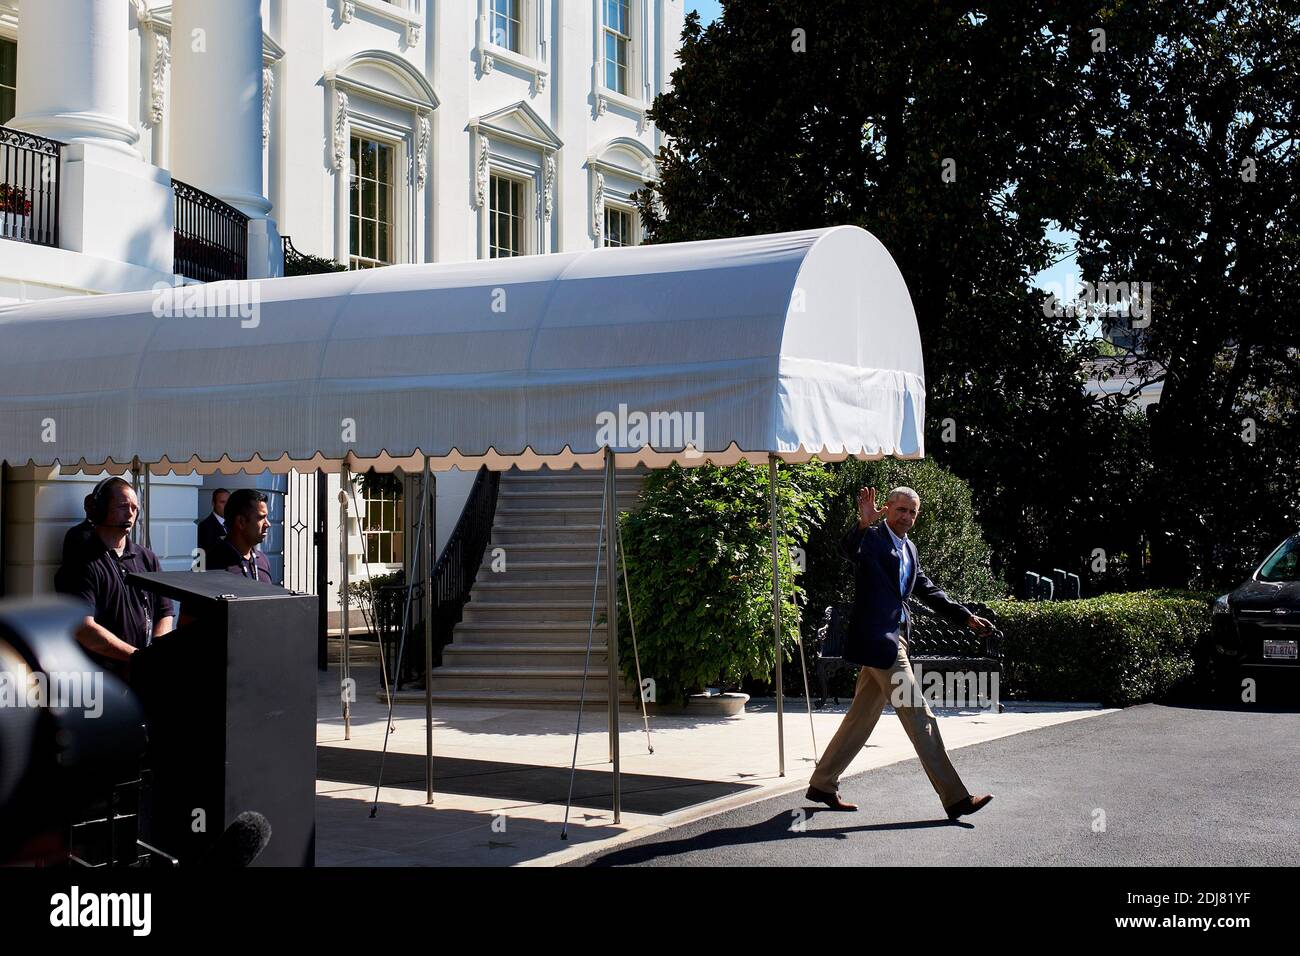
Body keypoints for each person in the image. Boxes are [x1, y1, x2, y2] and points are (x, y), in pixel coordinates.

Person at [805, 485, 996, 821]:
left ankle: (822, 783)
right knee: (920, 714)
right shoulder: (873, 538)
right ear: (886, 509)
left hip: (896, 640)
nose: (906, 517)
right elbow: (848, 549)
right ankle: (956, 798)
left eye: (912, 512)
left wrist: (965, 616)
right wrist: (862, 525)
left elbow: (926, 589)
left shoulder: (910, 548)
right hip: (883, 645)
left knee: (859, 720)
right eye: (900, 510)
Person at [56, 477, 175, 676]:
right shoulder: (81, 562)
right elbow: (83, 627)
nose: (131, 513)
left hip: (142, 673)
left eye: (135, 508)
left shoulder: (148, 558)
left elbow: (165, 612)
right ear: (100, 509)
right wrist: (136, 657)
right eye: (122, 506)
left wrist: (155, 655)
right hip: (100, 680)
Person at [207, 488, 275, 584]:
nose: (267, 524)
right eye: (261, 518)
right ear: (241, 522)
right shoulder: (212, 564)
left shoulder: (263, 560)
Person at [196, 488, 230, 559]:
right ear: (213, 503)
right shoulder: (204, 527)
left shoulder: (233, 524)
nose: (226, 506)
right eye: (222, 502)